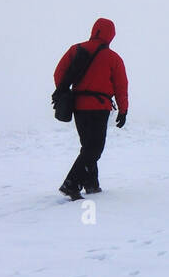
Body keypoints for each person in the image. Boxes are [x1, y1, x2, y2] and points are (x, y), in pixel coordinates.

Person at [54, 18, 128, 198]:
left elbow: (59, 73)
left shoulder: (76, 49)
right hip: (99, 108)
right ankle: (72, 184)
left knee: (88, 146)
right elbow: (121, 86)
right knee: (94, 148)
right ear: (111, 35)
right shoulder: (113, 58)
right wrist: (123, 110)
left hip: (78, 106)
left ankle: (91, 184)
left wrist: (67, 93)